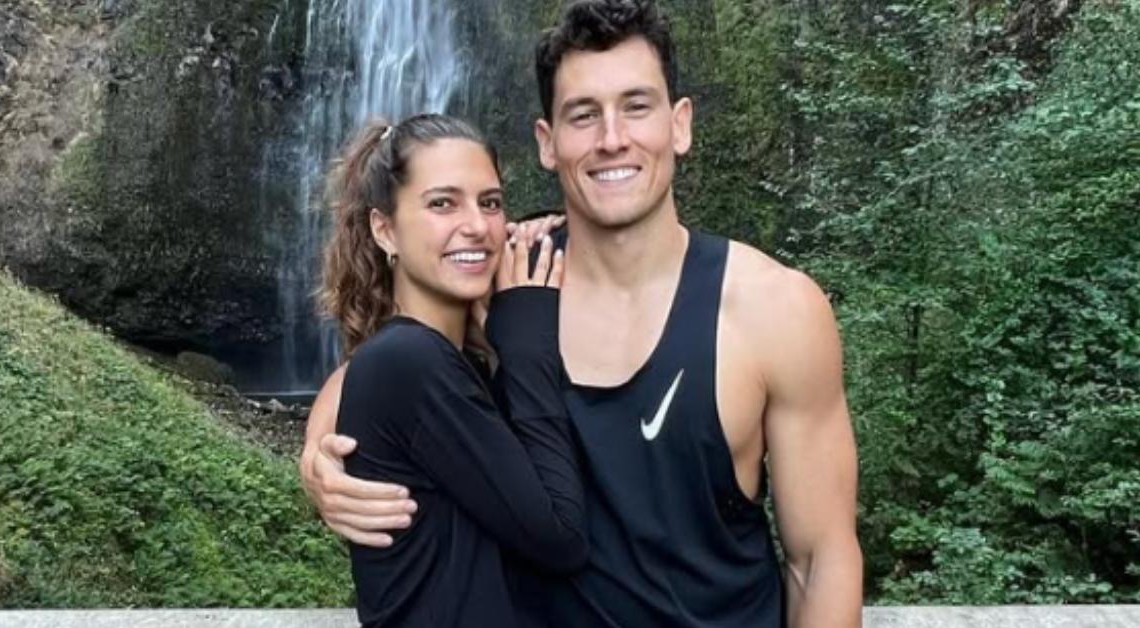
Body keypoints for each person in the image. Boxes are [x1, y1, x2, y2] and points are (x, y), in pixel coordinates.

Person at [301, 1, 864, 626]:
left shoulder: (774, 310)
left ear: (680, 125)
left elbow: (820, 560)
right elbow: (383, 366)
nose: (612, 138)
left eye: (637, 106)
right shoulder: (507, 279)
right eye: (583, 114)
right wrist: (319, 456)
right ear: (548, 142)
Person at [309, 113, 587, 627]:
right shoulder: (412, 362)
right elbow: (561, 537)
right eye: (442, 203)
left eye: (491, 203)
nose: (478, 226)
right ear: (384, 229)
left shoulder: (450, 360)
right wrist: (528, 346)